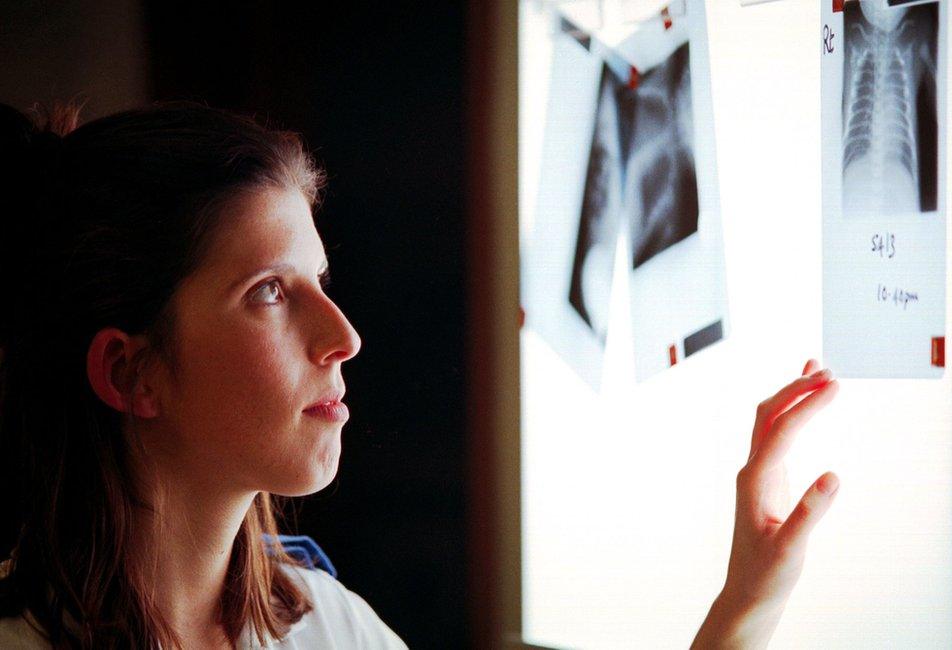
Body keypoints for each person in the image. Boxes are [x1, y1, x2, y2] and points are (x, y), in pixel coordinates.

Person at [0, 101, 839, 649]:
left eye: (320, 284)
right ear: (129, 371)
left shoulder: (329, 629)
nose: (344, 336)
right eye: (268, 293)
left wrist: (747, 603)